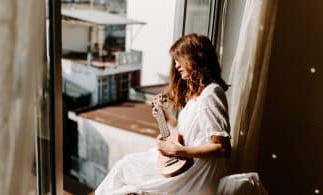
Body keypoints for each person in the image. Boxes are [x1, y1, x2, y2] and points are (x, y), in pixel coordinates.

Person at [95, 33, 231, 195]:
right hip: (183, 162)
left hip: (195, 172)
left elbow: (223, 148)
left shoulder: (211, 93)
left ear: (196, 58)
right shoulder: (198, 95)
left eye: (179, 59)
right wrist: (166, 118)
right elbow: (188, 133)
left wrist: (176, 151)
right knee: (125, 167)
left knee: (127, 173)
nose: (176, 65)